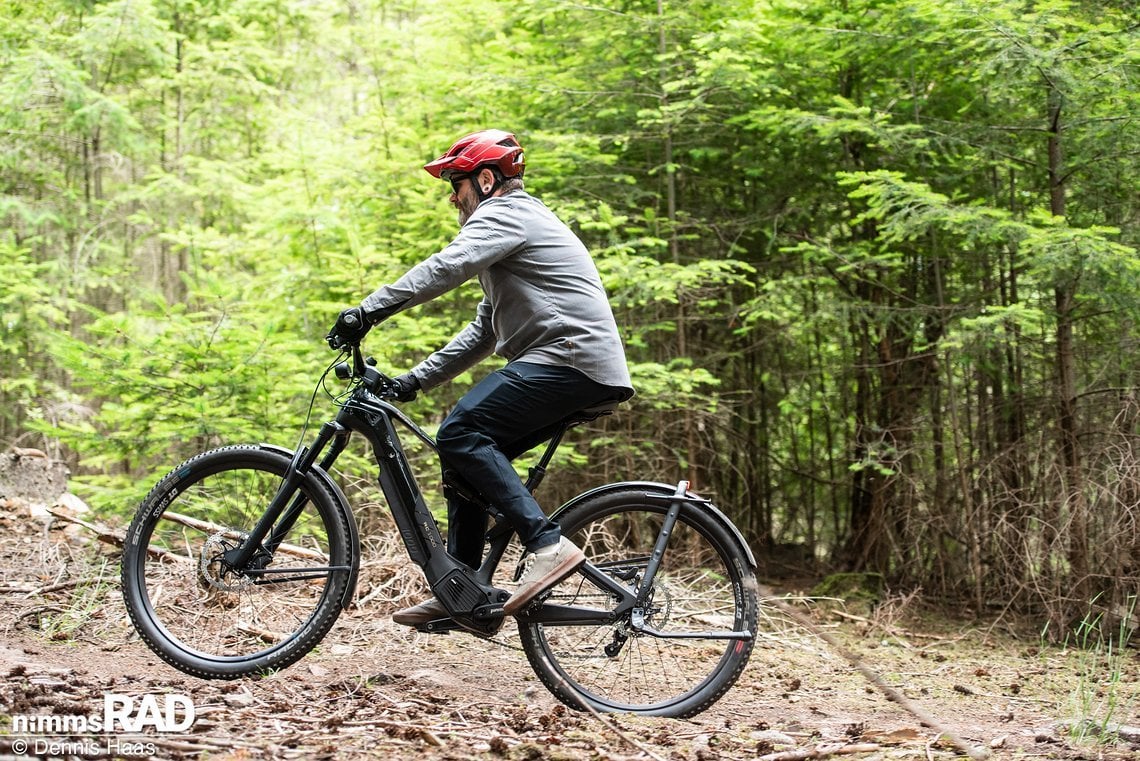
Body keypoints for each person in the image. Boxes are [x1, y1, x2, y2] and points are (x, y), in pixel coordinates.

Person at [327, 129, 634, 624]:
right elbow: (483, 332)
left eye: (456, 183)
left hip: (568, 358)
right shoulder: (514, 230)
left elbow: (447, 266)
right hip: (574, 364)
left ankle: (547, 547)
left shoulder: (506, 214)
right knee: (464, 462)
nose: (452, 197)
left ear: (486, 180)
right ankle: (465, 594)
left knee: (461, 431)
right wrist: (413, 381)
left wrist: (368, 310)